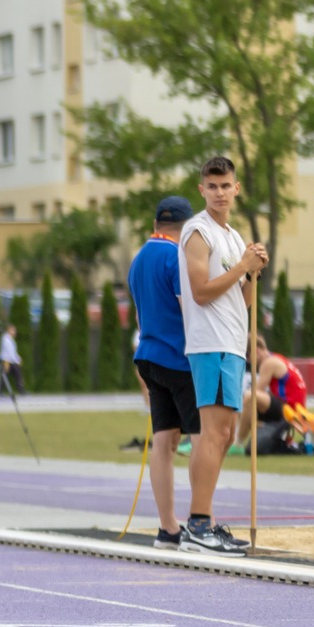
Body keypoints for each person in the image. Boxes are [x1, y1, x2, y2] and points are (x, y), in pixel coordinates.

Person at [177, 155, 266, 556]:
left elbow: (241, 298)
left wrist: (252, 272)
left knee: (226, 434)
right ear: (202, 190)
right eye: (211, 186)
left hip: (232, 342)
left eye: (225, 185)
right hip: (210, 341)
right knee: (213, 433)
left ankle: (202, 522)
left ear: (236, 188)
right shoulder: (198, 231)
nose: (219, 193)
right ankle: (198, 524)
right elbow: (201, 291)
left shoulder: (231, 235)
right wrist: (242, 266)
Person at [128, 196, 200, 551]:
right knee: (202, 436)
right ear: (186, 227)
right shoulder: (177, 257)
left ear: (157, 223)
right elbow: (190, 310)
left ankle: (167, 528)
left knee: (164, 440)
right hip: (180, 357)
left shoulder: (138, 258)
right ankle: (202, 523)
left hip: (149, 356)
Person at [237, 333, 304, 452]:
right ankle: (255, 430)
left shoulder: (268, 363)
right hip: (292, 408)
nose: (247, 360)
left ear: (256, 351)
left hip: (290, 411)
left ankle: (237, 443)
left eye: (247, 355)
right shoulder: (276, 358)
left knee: (248, 398)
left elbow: (256, 392)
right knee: (246, 405)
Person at [0, 322, 24, 394]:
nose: (15, 332)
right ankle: (0, 391)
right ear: (9, 330)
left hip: (10, 361)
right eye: (13, 330)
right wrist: (16, 361)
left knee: (13, 375)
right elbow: (9, 352)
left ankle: (20, 389)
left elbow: (13, 352)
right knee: (7, 375)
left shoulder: (10, 339)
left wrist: (18, 358)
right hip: (7, 361)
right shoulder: (6, 339)